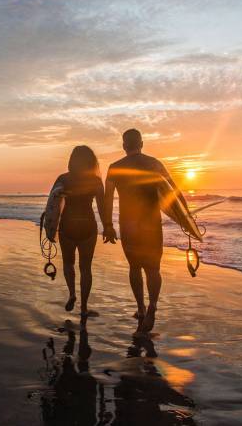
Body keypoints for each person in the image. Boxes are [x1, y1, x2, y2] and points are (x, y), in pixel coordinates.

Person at [102, 129, 186, 335]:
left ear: (124, 145)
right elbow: (174, 192)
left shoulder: (115, 168)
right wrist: (187, 217)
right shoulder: (155, 164)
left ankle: (140, 308)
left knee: (134, 268)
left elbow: (107, 198)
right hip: (151, 224)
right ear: (142, 143)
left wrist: (107, 226)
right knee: (153, 269)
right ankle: (152, 307)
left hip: (128, 225)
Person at [50, 146, 106, 317]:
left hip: (68, 225)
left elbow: (52, 204)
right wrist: (108, 227)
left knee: (68, 264)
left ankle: (72, 294)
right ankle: (84, 307)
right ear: (91, 161)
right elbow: (102, 207)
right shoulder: (95, 181)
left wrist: (50, 229)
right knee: (86, 268)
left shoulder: (63, 179)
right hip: (87, 225)